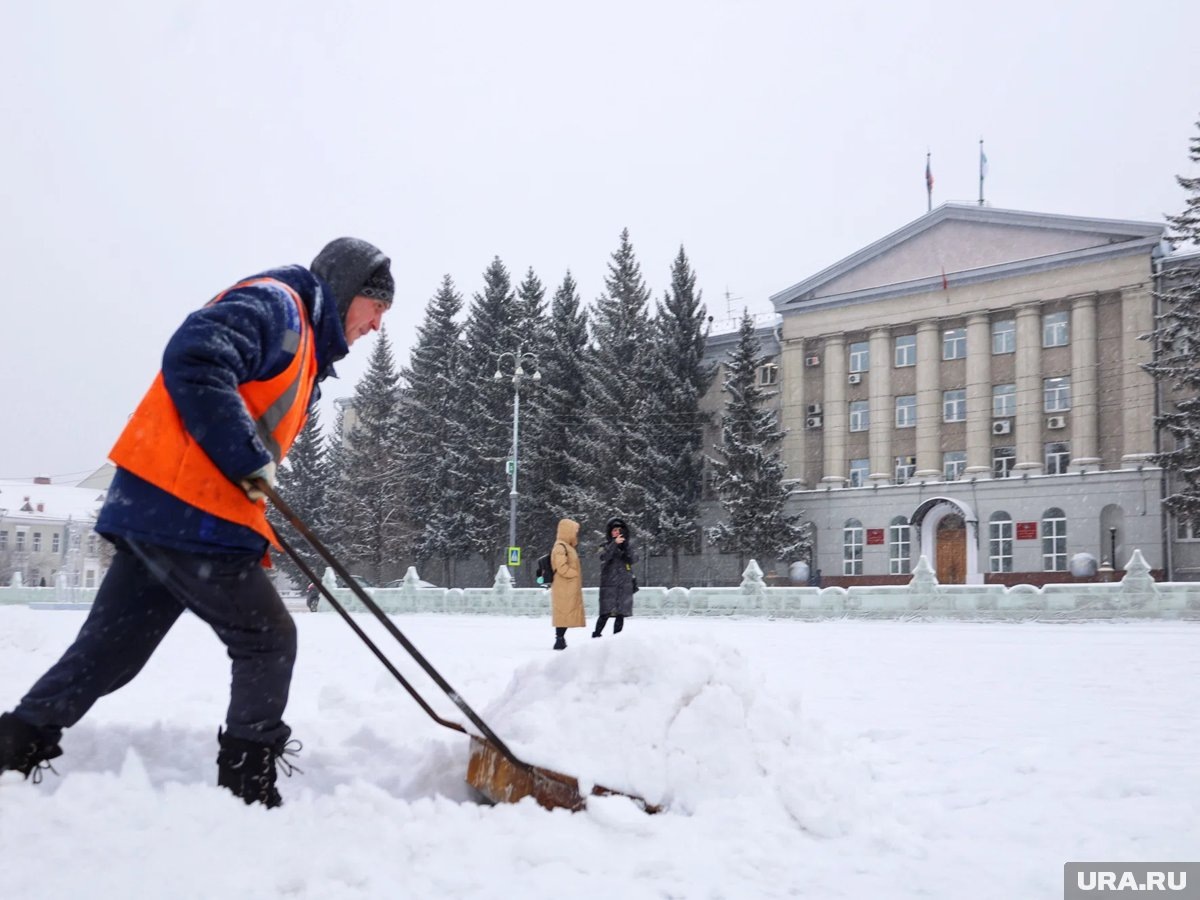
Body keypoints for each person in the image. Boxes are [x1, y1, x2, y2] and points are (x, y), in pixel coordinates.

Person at [0, 237, 394, 808]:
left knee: (109, 653)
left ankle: (15, 744)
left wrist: (251, 476)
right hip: (190, 513)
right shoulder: (278, 306)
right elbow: (196, 355)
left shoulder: (304, 339)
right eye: (376, 308)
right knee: (267, 638)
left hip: (163, 510)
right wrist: (244, 457)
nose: (377, 325)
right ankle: (247, 785)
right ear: (347, 289)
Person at [593, 516, 636, 637]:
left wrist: (625, 548)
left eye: (618, 530)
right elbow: (603, 557)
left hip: (624, 586)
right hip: (609, 586)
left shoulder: (628, 546)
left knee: (620, 614)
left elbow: (634, 559)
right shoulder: (604, 545)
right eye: (614, 530)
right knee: (605, 613)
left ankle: (616, 639)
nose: (616, 533)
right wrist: (614, 545)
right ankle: (596, 634)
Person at [549, 518, 585, 650]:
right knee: (563, 613)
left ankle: (560, 639)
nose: (576, 534)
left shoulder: (566, 546)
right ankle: (559, 639)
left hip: (567, 586)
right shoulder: (560, 546)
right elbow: (561, 567)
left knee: (565, 613)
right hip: (563, 586)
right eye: (574, 531)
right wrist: (574, 573)